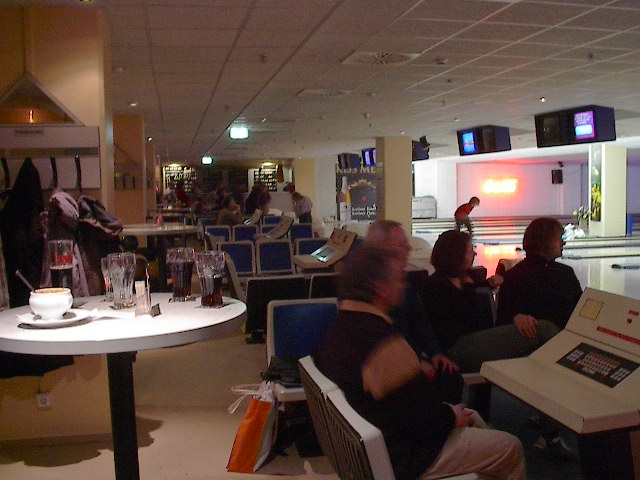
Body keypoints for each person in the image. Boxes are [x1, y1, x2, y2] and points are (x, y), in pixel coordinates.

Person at [314, 246, 525, 480]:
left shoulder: (341, 329)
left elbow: (406, 407)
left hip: (377, 445)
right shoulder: (382, 344)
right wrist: (451, 417)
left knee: (472, 415)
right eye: (398, 279)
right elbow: (424, 423)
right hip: (403, 456)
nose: (404, 286)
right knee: (510, 447)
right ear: (380, 287)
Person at [422, 230, 559, 374]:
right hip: (457, 348)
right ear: (457, 255)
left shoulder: (457, 283)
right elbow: (466, 322)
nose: (474, 254)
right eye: (470, 251)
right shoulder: (437, 287)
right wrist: (470, 288)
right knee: (544, 329)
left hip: (467, 343)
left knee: (534, 352)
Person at [365, 220, 462, 404]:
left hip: (407, 355)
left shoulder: (403, 281)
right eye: (403, 245)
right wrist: (414, 361)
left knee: (450, 377)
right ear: (382, 250)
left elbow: (420, 322)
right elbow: (383, 335)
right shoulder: (373, 288)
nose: (409, 249)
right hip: (385, 364)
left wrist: (435, 353)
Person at [496, 217, 583, 333]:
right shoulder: (565, 273)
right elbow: (581, 311)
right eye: (559, 239)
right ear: (545, 241)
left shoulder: (512, 275)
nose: (563, 243)